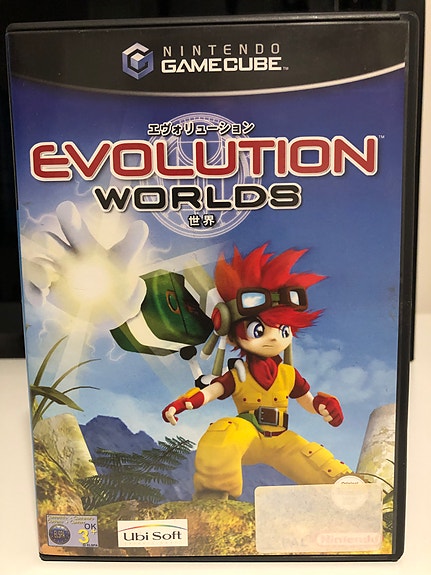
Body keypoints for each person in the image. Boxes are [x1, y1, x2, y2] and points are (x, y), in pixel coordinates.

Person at [162, 244, 351, 499]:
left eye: (283, 329)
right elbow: (210, 392)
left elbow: (307, 401)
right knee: (223, 434)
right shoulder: (238, 373)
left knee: (316, 459)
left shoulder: (288, 374)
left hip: (281, 439)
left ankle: (349, 491)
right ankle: (214, 496)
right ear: (231, 334)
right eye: (259, 330)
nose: (274, 338)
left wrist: (323, 406)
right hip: (247, 434)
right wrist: (182, 403)